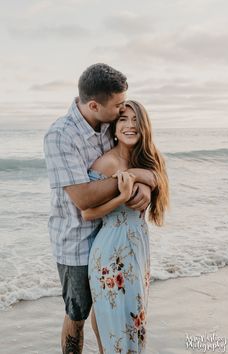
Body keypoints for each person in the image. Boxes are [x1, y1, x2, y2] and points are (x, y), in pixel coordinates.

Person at [44, 64, 157, 354]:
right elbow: (83, 198)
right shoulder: (60, 135)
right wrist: (132, 180)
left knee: (110, 311)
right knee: (78, 313)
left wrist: (146, 181)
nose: (122, 112)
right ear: (94, 105)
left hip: (115, 239)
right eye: (118, 106)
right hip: (77, 240)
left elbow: (142, 158)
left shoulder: (109, 124)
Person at [81, 100, 169, 353]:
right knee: (116, 324)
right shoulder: (105, 164)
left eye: (135, 120)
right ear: (114, 127)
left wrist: (141, 177)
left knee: (136, 320)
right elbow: (87, 212)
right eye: (123, 119)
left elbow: (158, 178)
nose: (129, 125)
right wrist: (121, 197)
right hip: (110, 253)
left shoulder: (149, 160)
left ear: (144, 127)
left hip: (139, 250)